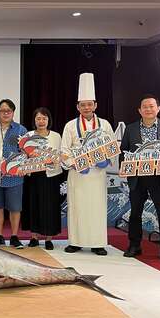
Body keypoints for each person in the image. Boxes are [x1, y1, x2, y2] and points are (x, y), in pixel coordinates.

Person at [120, 94, 160, 263]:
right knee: (135, 213)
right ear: (139, 110)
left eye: (151, 106)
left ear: (158, 108)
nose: (148, 109)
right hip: (137, 177)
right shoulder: (130, 129)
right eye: (145, 106)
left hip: (159, 177)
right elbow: (124, 151)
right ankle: (134, 245)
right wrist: (123, 167)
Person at [61, 73, 115, 256]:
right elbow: (64, 151)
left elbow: (112, 146)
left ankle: (98, 242)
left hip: (98, 174)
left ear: (95, 105)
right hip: (78, 174)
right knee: (77, 207)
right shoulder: (70, 126)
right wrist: (74, 164)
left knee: (97, 207)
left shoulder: (105, 125)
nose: (86, 107)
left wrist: (105, 159)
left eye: (89, 104)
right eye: (82, 104)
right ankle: (75, 242)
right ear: (78, 107)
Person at [0, 99, 27, 249]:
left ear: (13, 112)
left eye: (8, 111)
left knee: (15, 207)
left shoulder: (21, 130)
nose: (5, 113)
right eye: (2, 111)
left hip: (14, 177)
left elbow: (25, 152)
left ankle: (14, 236)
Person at [22, 107, 63, 250]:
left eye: (44, 118)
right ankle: (34, 237)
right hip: (33, 176)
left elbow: (60, 155)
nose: (41, 121)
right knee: (34, 205)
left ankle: (49, 238)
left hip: (51, 176)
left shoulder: (56, 136)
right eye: (38, 118)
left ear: (48, 120)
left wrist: (54, 160)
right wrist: (28, 157)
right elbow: (22, 157)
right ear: (34, 120)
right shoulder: (28, 136)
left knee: (50, 206)